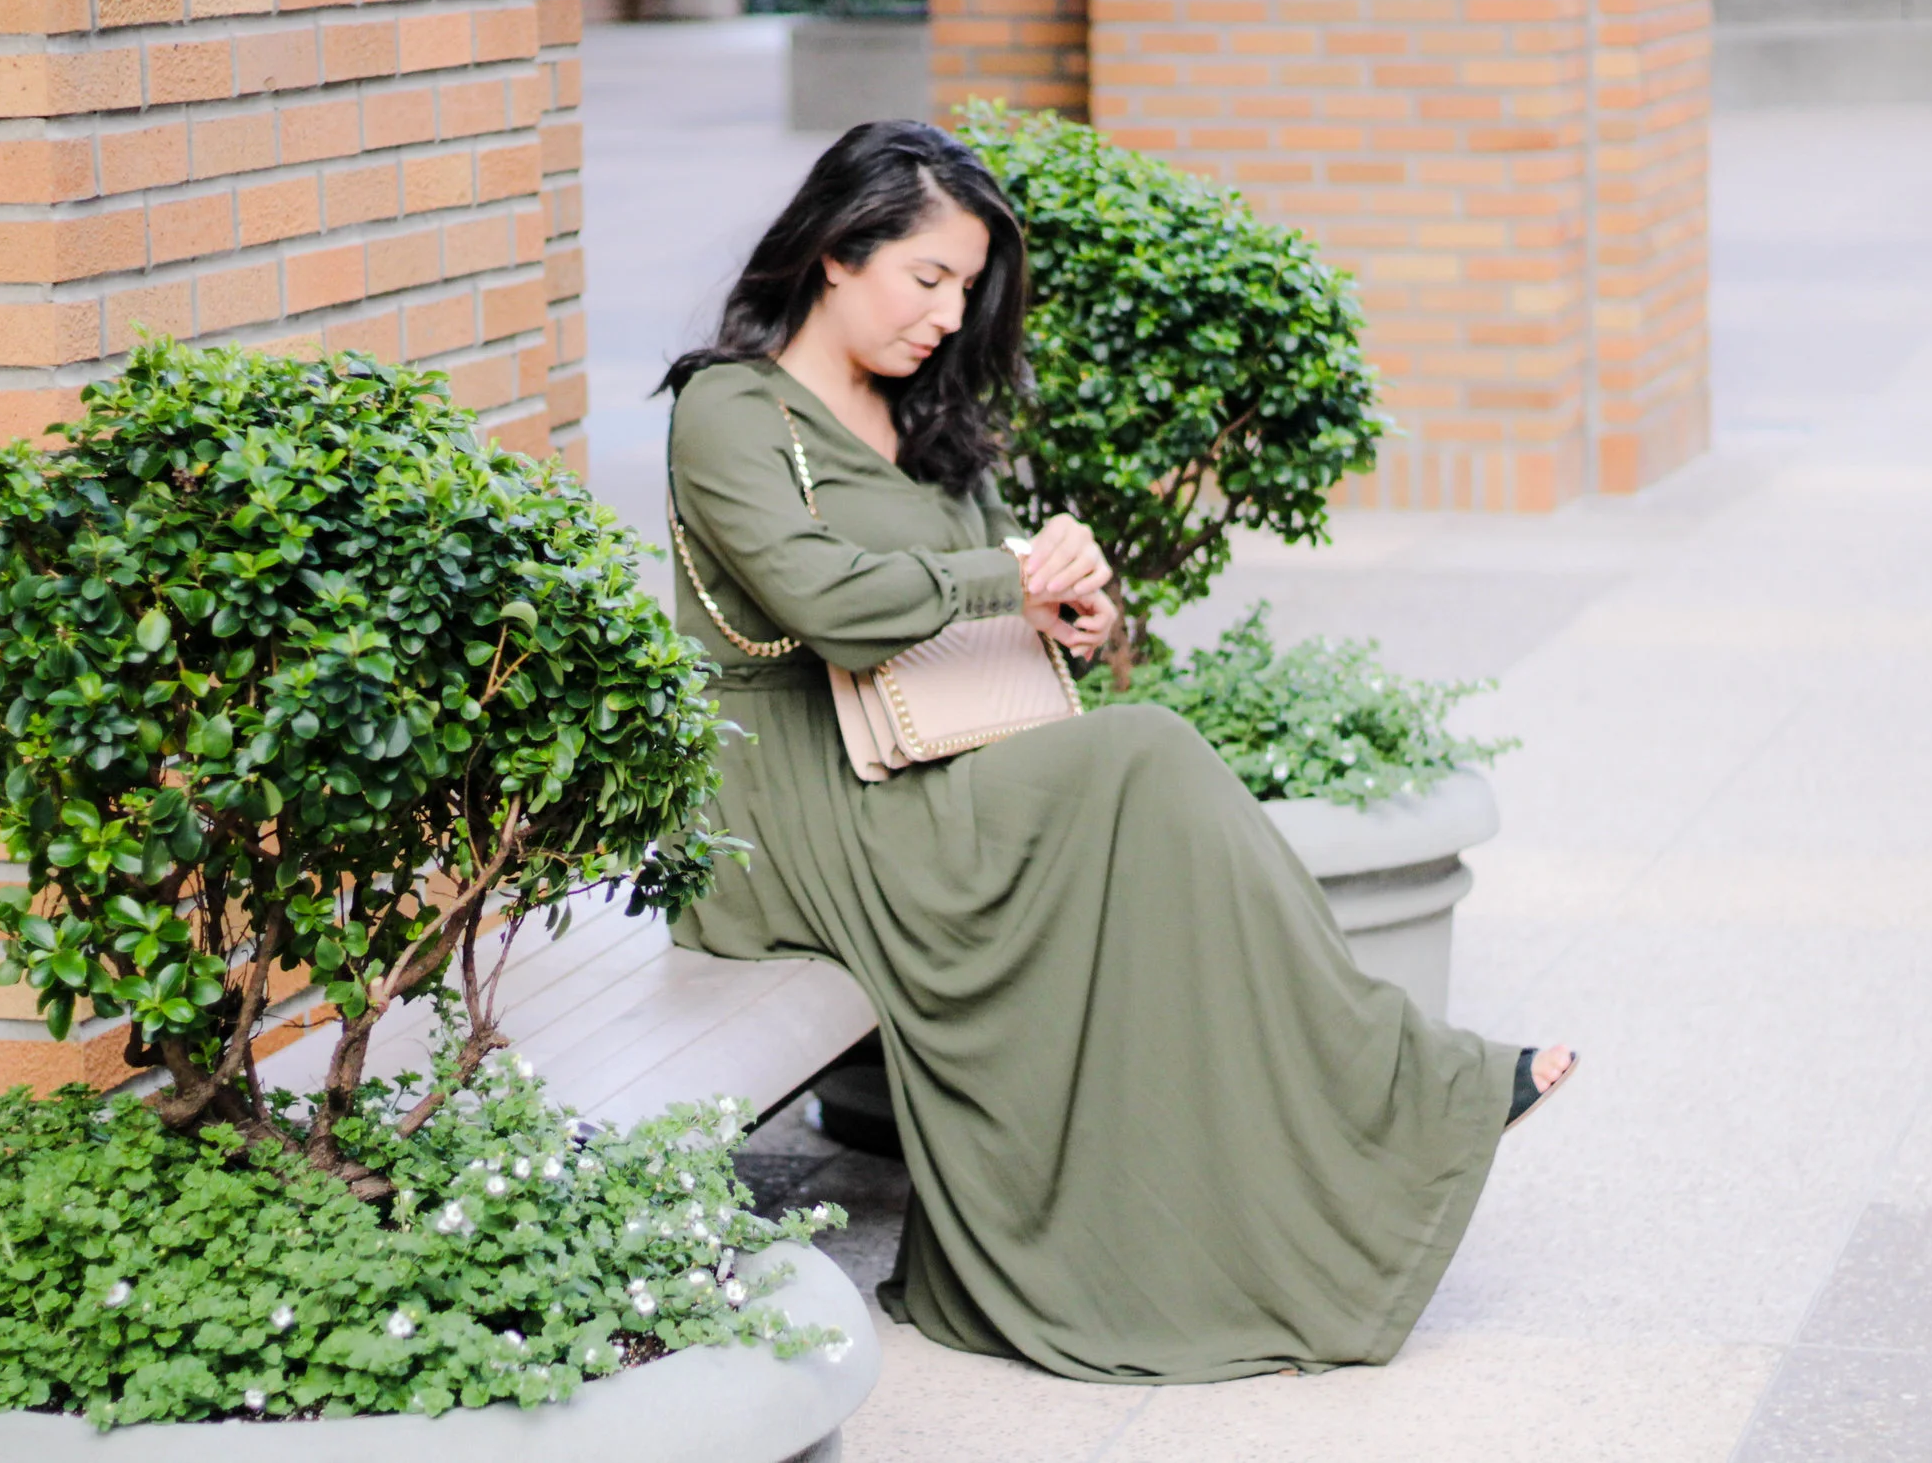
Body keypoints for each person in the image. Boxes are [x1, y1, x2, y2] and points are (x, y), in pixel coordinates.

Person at [658, 119, 1576, 1383]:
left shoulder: (926, 413)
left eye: (967, 287)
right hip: (795, 803)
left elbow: (990, 609)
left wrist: (1075, 613)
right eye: (927, 277)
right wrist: (1009, 577)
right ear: (835, 250)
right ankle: (1398, 1072)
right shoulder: (728, 409)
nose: (948, 314)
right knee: (1145, 760)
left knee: (1146, 793)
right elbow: (824, 600)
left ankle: (1322, 1138)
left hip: (933, 761)